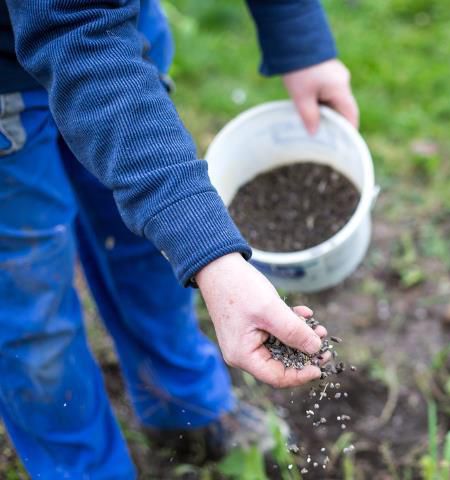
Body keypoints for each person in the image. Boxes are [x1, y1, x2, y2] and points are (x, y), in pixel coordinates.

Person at [0, 0, 359, 476]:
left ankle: (184, 406)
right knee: (32, 308)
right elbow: (77, 32)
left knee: (147, 244)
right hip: (22, 78)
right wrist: (214, 258)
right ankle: (83, 467)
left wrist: (298, 37)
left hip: (121, 29)